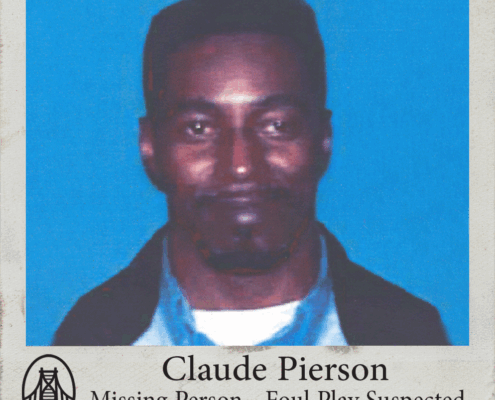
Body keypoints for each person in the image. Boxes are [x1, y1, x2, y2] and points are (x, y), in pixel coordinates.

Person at [53, 0, 449, 346]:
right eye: (198, 128)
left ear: (323, 140)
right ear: (150, 148)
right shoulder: (84, 351)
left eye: (277, 125)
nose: (240, 164)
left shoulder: (413, 344)